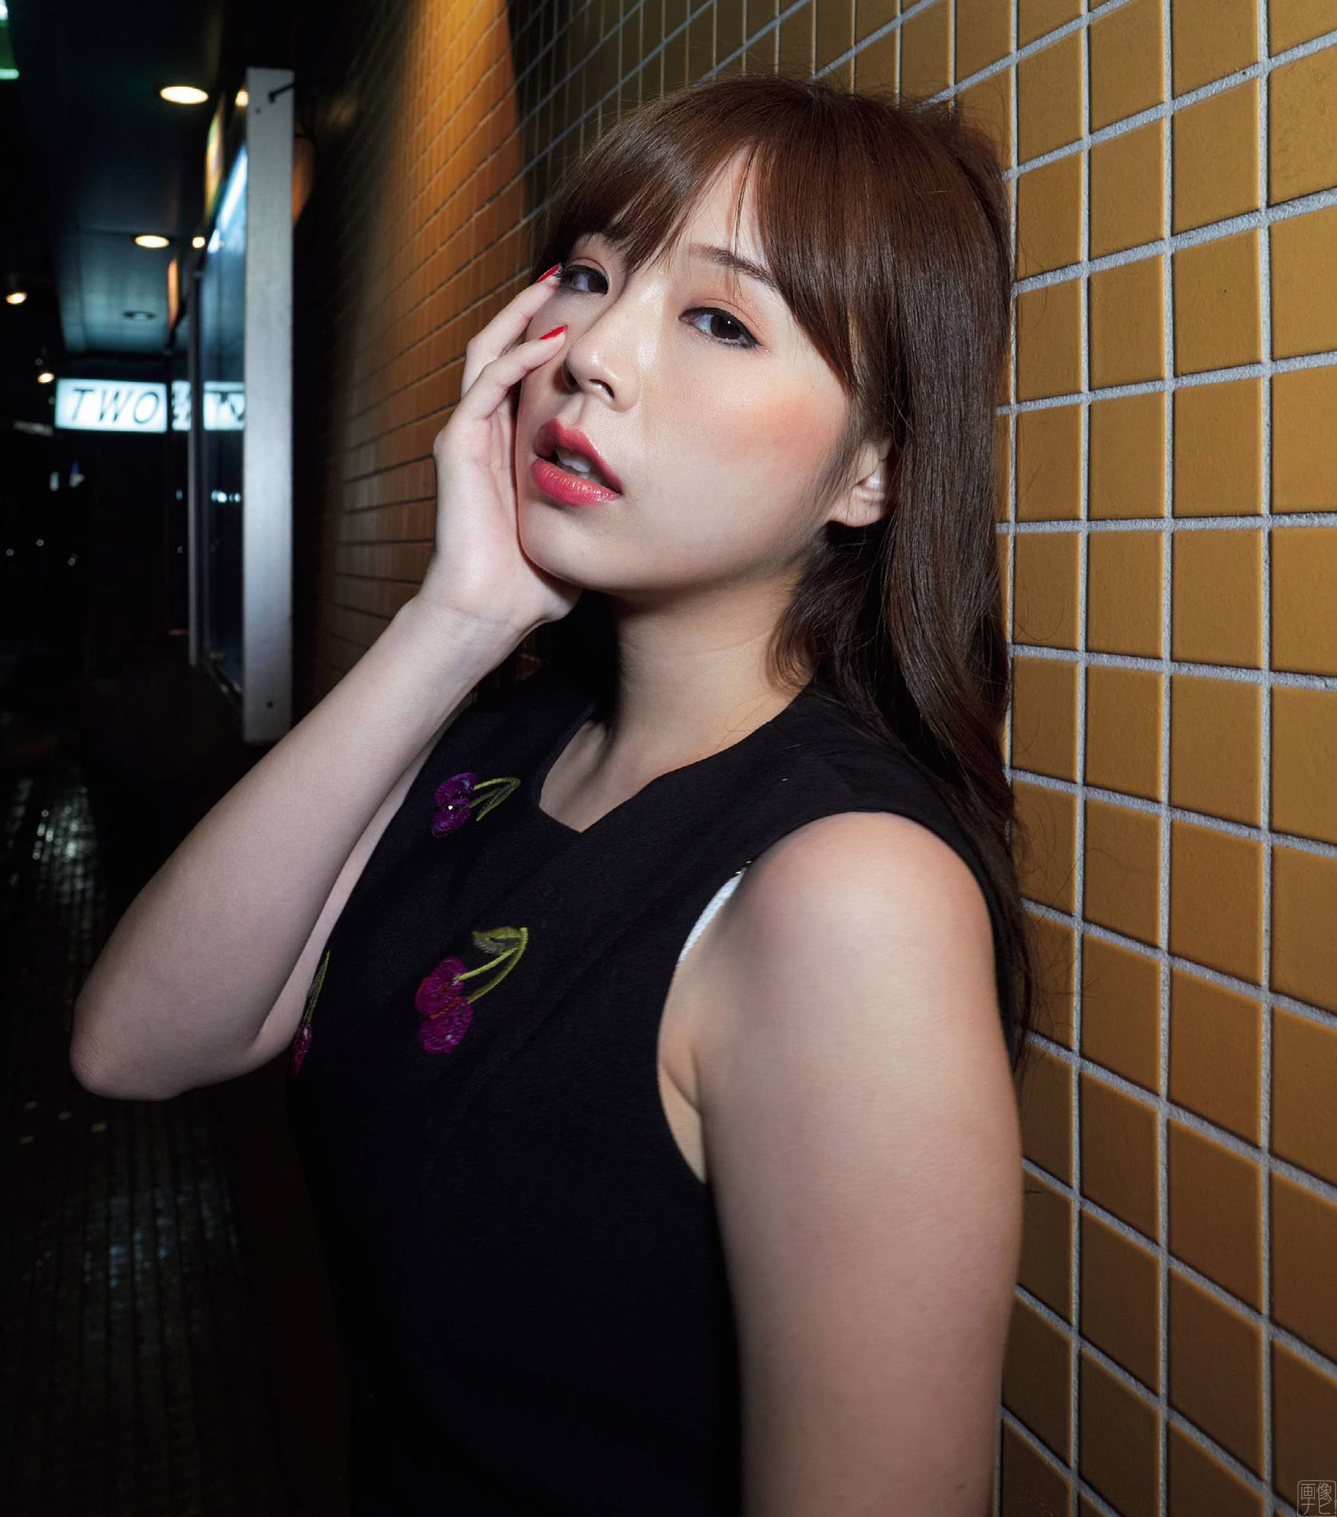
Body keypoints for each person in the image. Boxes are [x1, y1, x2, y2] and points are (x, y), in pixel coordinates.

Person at [71, 73, 1039, 1515]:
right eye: (588, 276)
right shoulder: (503, 740)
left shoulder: (847, 896)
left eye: (719, 322)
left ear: (874, 473)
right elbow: (138, 1044)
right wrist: (458, 616)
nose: (592, 354)